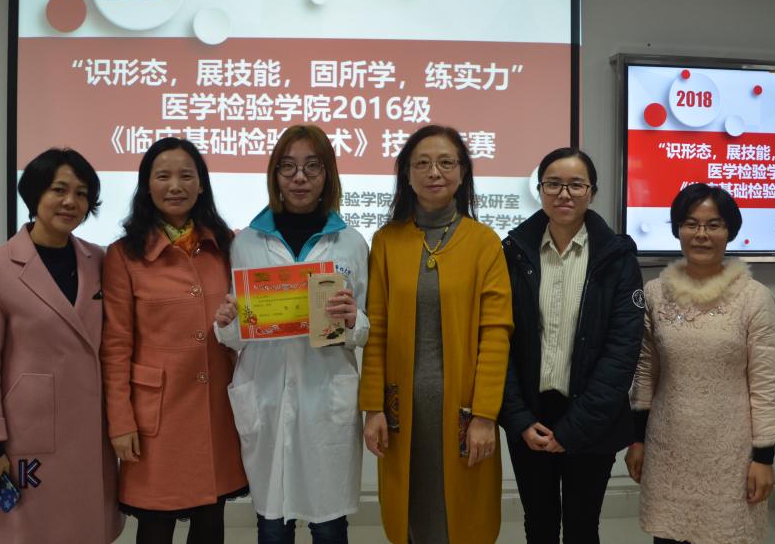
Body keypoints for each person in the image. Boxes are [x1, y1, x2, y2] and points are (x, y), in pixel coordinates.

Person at [213, 124, 368, 544]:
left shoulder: (351, 243)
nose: (300, 177)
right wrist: (227, 322)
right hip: (265, 393)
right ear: (275, 175)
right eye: (288, 167)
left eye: (312, 167)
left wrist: (354, 320)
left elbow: (366, 328)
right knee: (272, 525)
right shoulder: (246, 243)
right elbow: (236, 335)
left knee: (329, 526)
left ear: (327, 175)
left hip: (326, 396)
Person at [359, 124, 513, 544]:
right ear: (406, 174)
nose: (434, 172)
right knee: (410, 517)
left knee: (462, 520)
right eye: (422, 163)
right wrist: (372, 408)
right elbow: (376, 330)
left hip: (463, 412)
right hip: (402, 412)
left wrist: (485, 416)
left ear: (462, 173)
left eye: (446, 162)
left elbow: (495, 334)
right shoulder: (386, 241)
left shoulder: (484, 243)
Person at [0, 148, 122, 544]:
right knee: (29, 532)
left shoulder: (100, 262)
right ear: (34, 194)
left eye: (81, 193)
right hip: (26, 434)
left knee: (86, 530)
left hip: (90, 431)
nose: (71, 202)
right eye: (58, 190)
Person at [100, 137, 247, 544]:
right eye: (163, 176)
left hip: (216, 409)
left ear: (201, 185)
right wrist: (120, 422)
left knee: (210, 521)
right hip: (157, 416)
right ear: (147, 186)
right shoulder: (124, 255)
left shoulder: (225, 246)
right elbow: (115, 347)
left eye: (186, 175)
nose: (175, 186)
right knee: (155, 525)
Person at [625, 183, 775, 544]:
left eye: (714, 224)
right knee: (668, 536)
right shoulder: (655, 294)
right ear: (677, 229)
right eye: (691, 223)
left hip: (730, 454)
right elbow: (646, 371)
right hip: (667, 446)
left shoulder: (755, 298)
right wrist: (637, 439)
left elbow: (767, 384)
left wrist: (764, 457)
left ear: (730, 230)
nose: (701, 234)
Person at [498, 146, 645, 544]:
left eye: (576, 185)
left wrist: (577, 427)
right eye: (553, 184)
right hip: (531, 415)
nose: (564, 193)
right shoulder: (513, 253)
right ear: (540, 190)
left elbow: (622, 350)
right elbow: (499, 341)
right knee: (539, 524)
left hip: (593, 415)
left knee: (582, 526)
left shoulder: (617, 257)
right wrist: (518, 418)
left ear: (591, 192)